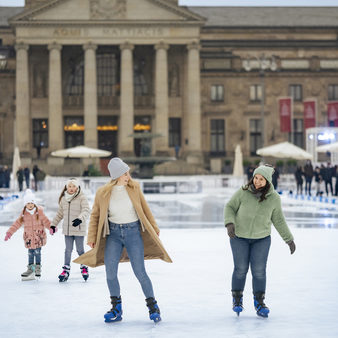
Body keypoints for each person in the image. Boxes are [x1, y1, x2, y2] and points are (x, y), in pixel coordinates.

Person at [74, 158, 172, 323]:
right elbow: (95, 216)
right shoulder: (103, 193)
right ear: (117, 175)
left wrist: (154, 226)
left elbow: (145, 209)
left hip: (133, 233)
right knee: (110, 273)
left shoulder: (134, 188)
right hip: (113, 235)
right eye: (125, 173)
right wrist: (91, 237)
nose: (128, 176)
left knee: (140, 272)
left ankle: (153, 307)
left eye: (128, 173)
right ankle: (116, 308)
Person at [224, 165, 296, 318]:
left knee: (259, 271)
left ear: (267, 181)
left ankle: (259, 302)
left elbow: (279, 220)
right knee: (240, 269)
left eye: (261, 179)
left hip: (261, 239)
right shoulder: (243, 191)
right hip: (239, 237)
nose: (257, 181)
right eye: (255, 178)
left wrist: (289, 239)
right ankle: (237, 299)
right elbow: (230, 207)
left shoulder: (274, 198)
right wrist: (230, 223)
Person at [4, 189, 52, 280]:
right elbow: (16, 224)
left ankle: (38, 268)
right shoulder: (23, 214)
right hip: (29, 238)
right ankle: (30, 269)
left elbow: (46, 221)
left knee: (37, 252)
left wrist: (51, 228)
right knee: (30, 254)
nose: (30, 205)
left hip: (38, 237)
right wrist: (9, 233)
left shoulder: (39, 212)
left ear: (34, 203)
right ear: (25, 204)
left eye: (31, 203)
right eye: (28, 203)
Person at [51, 178, 90, 282]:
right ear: (66, 187)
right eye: (69, 186)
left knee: (80, 250)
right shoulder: (64, 199)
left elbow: (86, 210)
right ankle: (66, 269)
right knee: (68, 250)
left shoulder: (82, 197)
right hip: (67, 230)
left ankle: (84, 267)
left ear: (77, 187)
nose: (71, 188)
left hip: (78, 229)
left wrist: (80, 219)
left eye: (73, 186)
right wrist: (53, 225)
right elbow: (60, 214)